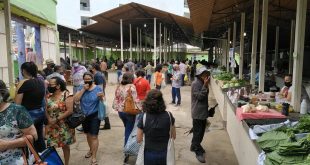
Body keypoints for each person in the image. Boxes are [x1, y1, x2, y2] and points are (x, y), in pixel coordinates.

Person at [0, 80, 38, 165]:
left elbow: (33, 136)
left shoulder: (17, 111)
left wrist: (7, 144)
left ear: (2, 93)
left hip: (14, 160)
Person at [137, 89, 176, 165]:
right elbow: (173, 136)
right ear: (162, 101)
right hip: (165, 154)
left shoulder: (144, 117)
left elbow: (138, 139)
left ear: (147, 102)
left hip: (148, 154)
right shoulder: (169, 115)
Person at [15, 62, 46, 153]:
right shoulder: (41, 81)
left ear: (24, 71)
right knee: (39, 138)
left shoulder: (24, 83)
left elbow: (17, 104)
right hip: (40, 113)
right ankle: (42, 157)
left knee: (28, 141)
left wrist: (17, 88)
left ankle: (32, 159)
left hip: (28, 115)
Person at [74, 72, 104, 165]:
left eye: (89, 79)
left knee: (94, 136)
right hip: (84, 116)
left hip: (95, 115)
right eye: (85, 79)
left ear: (92, 79)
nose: (87, 81)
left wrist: (101, 97)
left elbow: (102, 100)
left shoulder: (98, 88)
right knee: (88, 135)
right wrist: (83, 89)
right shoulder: (80, 87)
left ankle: (94, 157)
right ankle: (91, 150)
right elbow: (76, 99)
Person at [46, 77, 75, 165]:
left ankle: (66, 163)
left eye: (51, 85)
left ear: (58, 86)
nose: (49, 86)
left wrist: (57, 119)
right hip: (52, 125)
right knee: (52, 146)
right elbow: (45, 109)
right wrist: (49, 120)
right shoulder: (48, 96)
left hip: (64, 126)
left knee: (65, 146)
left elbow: (70, 111)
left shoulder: (67, 95)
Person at [112, 72, 139, 163]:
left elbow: (116, 98)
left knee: (127, 128)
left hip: (121, 112)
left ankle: (127, 148)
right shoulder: (131, 87)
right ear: (131, 79)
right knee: (129, 131)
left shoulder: (119, 87)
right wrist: (141, 108)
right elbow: (136, 99)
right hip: (129, 111)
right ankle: (127, 150)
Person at [190, 65, 210, 163]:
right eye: (204, 74)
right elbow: (200, 97)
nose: (206, 76)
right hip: (197, 113)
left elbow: (205, 97)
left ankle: (194, 145)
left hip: (202, 112)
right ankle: (197, 151)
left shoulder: (202, 82)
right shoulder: (195, 84)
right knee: (198, 133)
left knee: (200, 132)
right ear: (199, 75)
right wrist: (205, 85)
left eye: (206, 74)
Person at [90, 63, 111, 130]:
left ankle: (105, 124)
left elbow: (100, 86)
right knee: (103, 108)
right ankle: (107, 124)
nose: (90, 68)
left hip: (99, 95)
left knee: (102, 108)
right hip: (100, 94)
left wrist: (100, 95)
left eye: (91, 67)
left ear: (94, 68)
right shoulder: (99, 74)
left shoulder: (98, 75)